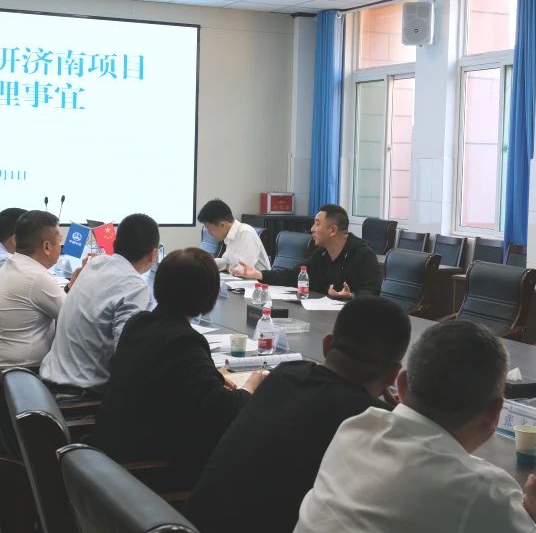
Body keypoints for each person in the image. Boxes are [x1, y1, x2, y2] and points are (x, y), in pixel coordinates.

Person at [275, 320, 536, 533]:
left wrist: (519, 514)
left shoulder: (356, 429)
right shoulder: (474, 492)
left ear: (402, 384)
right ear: (495, 413)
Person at [184, 296, 411, 533]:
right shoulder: (373, 423)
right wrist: (397, 412)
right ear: (394, 375)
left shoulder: (285, 375)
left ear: (327, 345)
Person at [91, 248, 267, 485]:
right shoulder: (184, 341)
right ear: (207, 296)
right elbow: (224, 412)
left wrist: (211, 379)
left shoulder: (138, 323)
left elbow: (168, 378)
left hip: (109, 455)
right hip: (146, 472)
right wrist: (251, 386)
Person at [40, 213, 158, 398]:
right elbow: (128, 355)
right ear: (153, 254)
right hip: (80, 395)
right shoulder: (134, 285)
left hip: (49, 381)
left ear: (115, 243)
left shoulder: (94, 264)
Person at [0, 210, 70, 370]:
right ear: (47, 246)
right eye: (59, 242)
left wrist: (71, 288)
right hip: (22, 373)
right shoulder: (36, 277)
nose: (60, 247)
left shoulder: (12, 264)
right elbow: (74, 318)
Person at [233, 204, 381, 299]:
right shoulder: (322, 253)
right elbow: (293, 276)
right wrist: (258, 274)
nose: (312, 229)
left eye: (317, 224)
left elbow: (372, 293)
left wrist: (351, 295)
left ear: (333, 230)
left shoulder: (362, 254)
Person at [197, 199, 270, 273]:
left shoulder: (246, 233)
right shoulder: (229, 236)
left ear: (222, 225)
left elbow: (243, 270)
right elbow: (226, 261)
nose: (209, 233)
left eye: (209, 229)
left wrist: (227, 266)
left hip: (258, 280)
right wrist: (206, 263)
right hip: (239, 279)